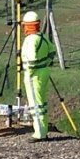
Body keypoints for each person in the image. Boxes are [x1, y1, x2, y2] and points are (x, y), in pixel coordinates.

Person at [20, 11, 55, 141]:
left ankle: (39, 133)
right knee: (42, 103)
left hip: (34, 76)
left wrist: (29, 73)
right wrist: (45, 63)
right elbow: (52, 52)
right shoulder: (43, 37)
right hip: (44, 71)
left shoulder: (30, 40)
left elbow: (32, 60)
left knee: (35, 105)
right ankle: (43, 129)